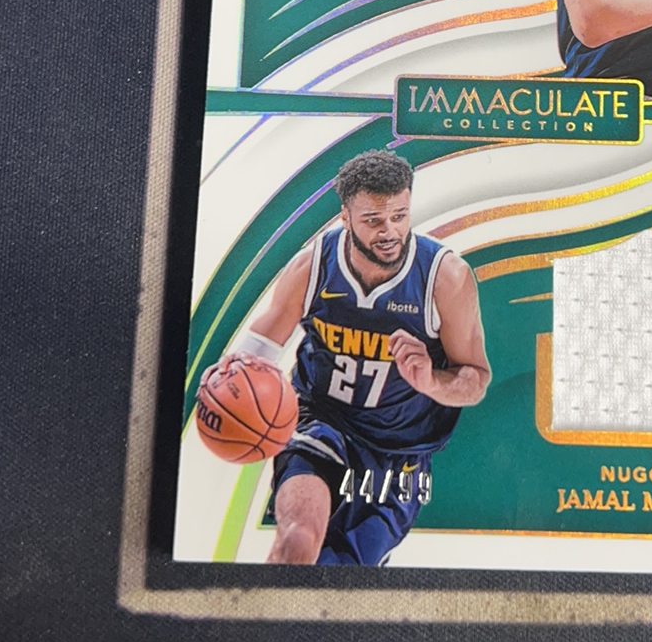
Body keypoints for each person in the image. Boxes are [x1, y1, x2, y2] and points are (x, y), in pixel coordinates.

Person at [201, 149, 490, 566]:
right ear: (345, 218)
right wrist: (229, 374)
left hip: (397, 451)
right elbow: (260, 346)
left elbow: (475, 380)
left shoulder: (445, 277)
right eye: (373, 220)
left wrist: (431, 381)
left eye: (400, 216)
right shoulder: (313, 266)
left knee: (341, 570)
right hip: (321, 421)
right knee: (297, 540)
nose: (389, 231)